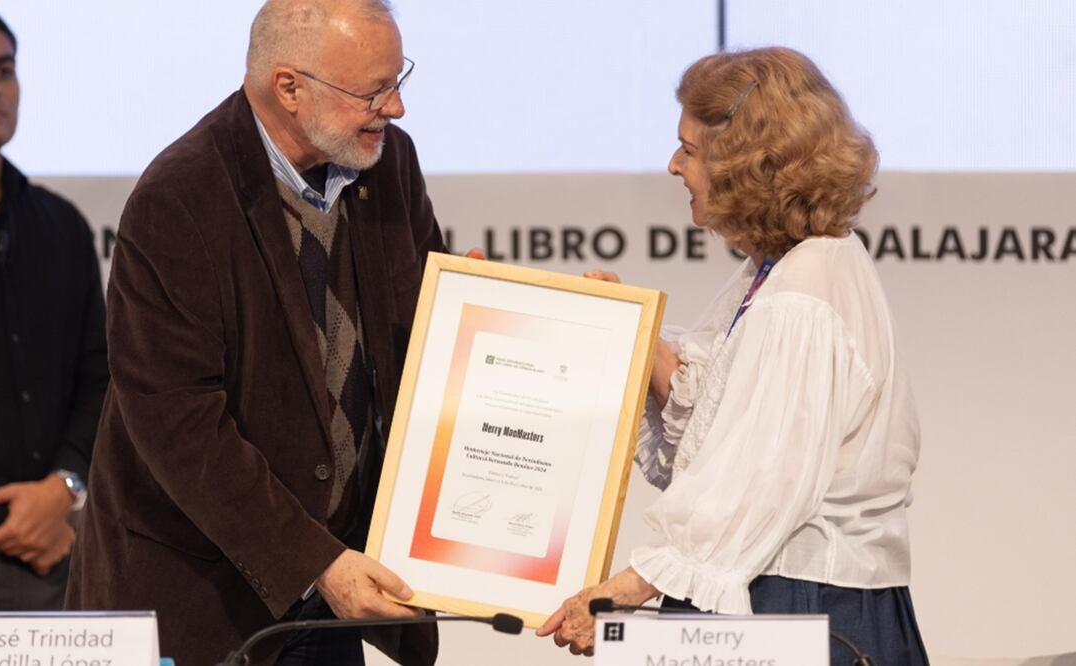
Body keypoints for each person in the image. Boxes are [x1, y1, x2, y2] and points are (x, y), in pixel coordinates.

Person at [65, 1, 468, 664]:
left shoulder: (388, 164)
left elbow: (420, 332)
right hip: (207, 604)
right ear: (288, 88)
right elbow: (177, 421)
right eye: (373, 90)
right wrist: (316, 563)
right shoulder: (180, 197)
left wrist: (498, 315)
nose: (395, 109)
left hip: (339, 588)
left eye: (400, 81)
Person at [538, 47, 929, 664]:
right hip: (798, 595)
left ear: (749, 166)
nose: (673, 165)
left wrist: (622, 593)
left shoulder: (799, 300)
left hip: (802, 605)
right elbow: (718, 418)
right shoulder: (789, 268)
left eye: (689, 151)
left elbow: (753, 480)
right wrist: (632, 336)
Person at [0, 11, 107, 611]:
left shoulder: (61, 227)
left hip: (58, 554)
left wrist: (61, 489)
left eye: (5, 70)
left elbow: (100, 378)